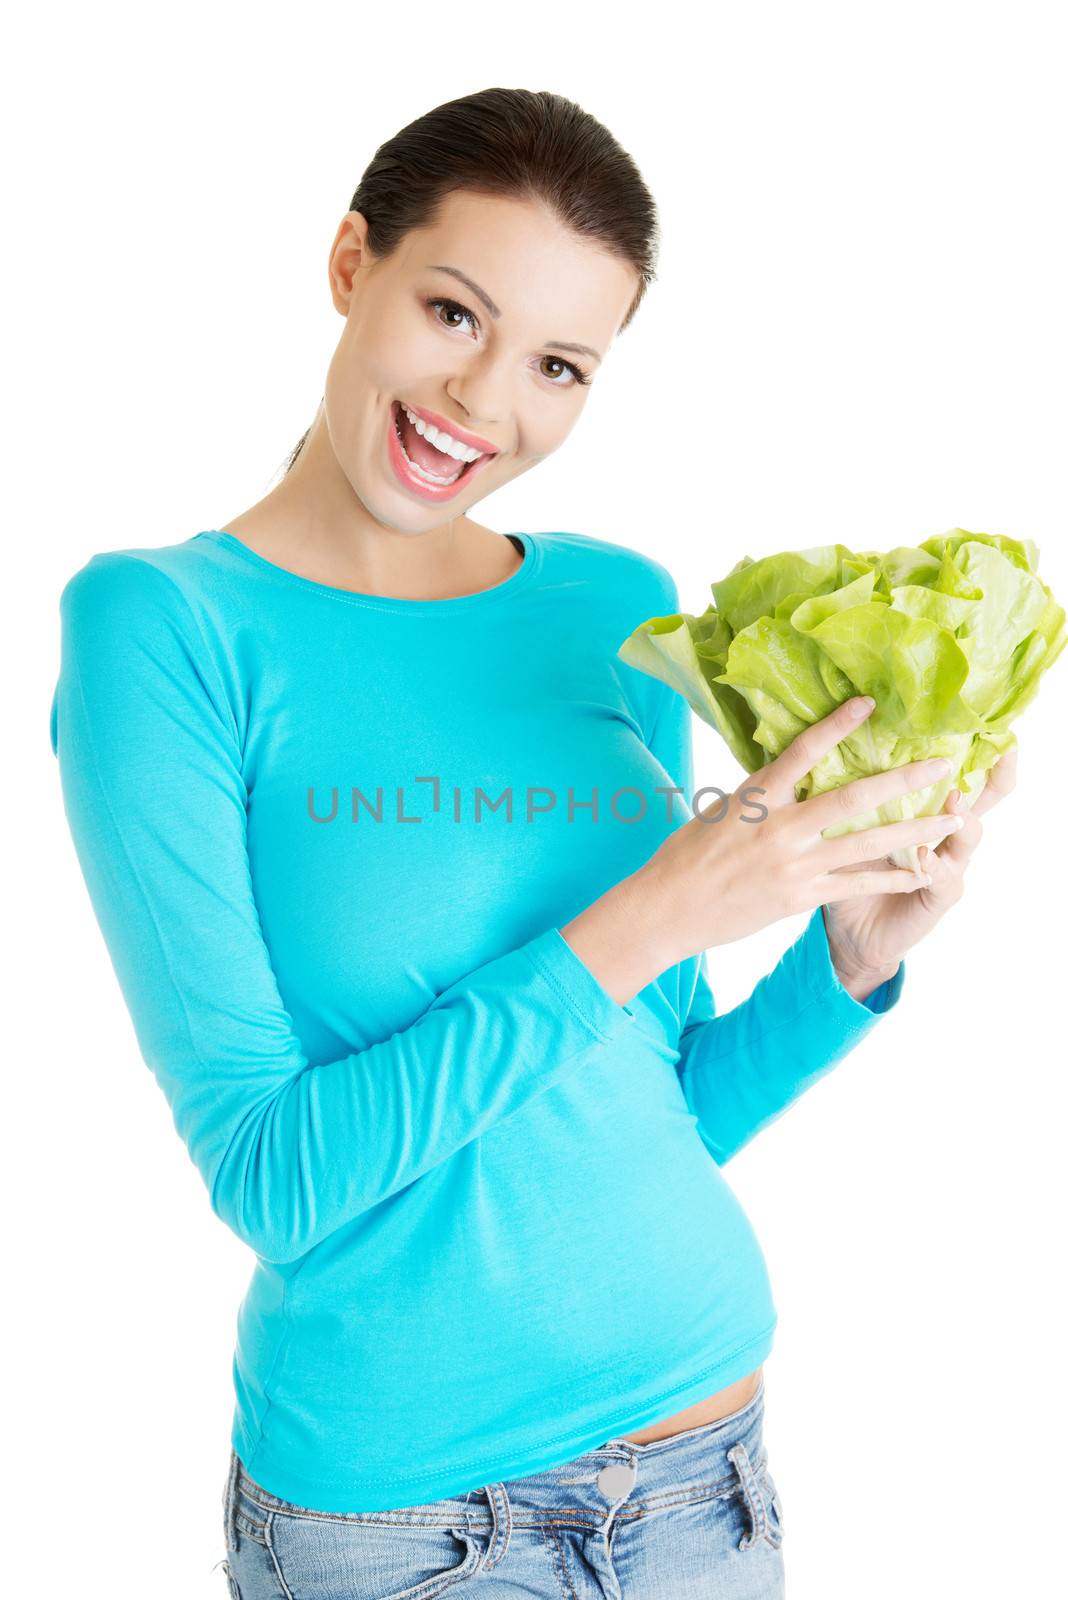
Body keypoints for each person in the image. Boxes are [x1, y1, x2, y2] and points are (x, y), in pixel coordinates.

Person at [50, 87, 1014, 1600]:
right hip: (408, 1530)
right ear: (350, 262)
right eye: (454, 313)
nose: (485, 404)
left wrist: (843, 967)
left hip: (708, 1472)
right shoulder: (164, 629)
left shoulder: (611, 602)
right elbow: (268, 1174)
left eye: (558, 365)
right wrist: (655, 911)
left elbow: (659, 1108)